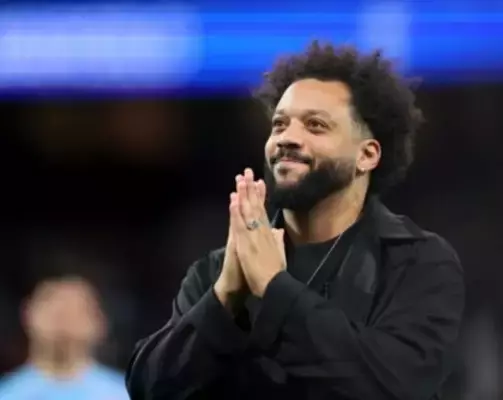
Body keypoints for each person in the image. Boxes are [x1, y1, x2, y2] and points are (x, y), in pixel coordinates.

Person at [126, 41, 465, 400]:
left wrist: (274, 289)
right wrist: (223, 299)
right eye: (279, 124)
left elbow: (394, 386)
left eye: (315, 126)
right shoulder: (221, 271)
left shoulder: (417, 263)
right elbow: (150, 389)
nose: (287, 138)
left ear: (366, 155)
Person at [0, 275, 129, 399]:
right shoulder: (6, 394)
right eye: (51, 302)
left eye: (77, 308)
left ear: (100, 323)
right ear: (27, 315)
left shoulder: (125, 394)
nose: (64, 314)